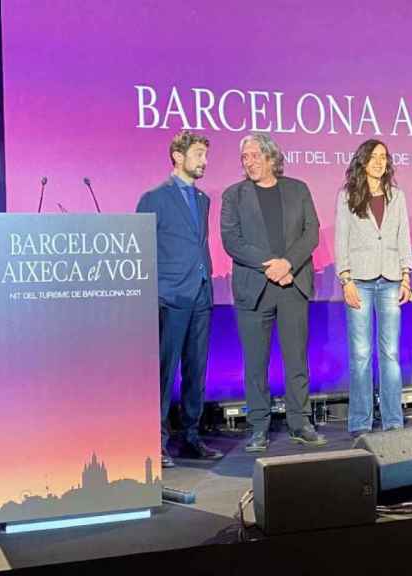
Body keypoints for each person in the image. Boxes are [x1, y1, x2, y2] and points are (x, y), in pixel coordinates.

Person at [220, 133, 325, 452]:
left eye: (254, 155)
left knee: (296, 358)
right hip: (255, 288)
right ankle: (258, 427)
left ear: (270, 157)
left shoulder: (298, 189)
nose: (248, 162)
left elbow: (311, 232)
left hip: (292, 284)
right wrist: (270, 265)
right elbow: (232, 240)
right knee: (255, 362)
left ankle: (299, 421)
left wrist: (288, 264)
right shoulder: (233, 195)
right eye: (244, 157)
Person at [137, 130, 222, 468]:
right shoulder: (153, 199)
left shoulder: (203, 200)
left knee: (196, 369)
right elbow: (143, 251)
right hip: (169, 295)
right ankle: (155, 441)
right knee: (164, 370)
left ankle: (190, 436)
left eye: (205, 154)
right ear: (178, 156)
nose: (204, 161)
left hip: (201, 292)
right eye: (199, 154)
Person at [335, 139, 412, 437]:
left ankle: (393, 420)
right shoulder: (347, 197)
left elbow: (403, 237)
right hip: (360, 282)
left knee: (390, 353)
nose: (380, 162)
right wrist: (346, 280)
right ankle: (361, 422)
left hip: (391, 280)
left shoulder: (398, 196)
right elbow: (341, 239)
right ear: (363, 161)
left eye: (384, 157)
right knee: (361, 354)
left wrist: (406, 276)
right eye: (374, 157)